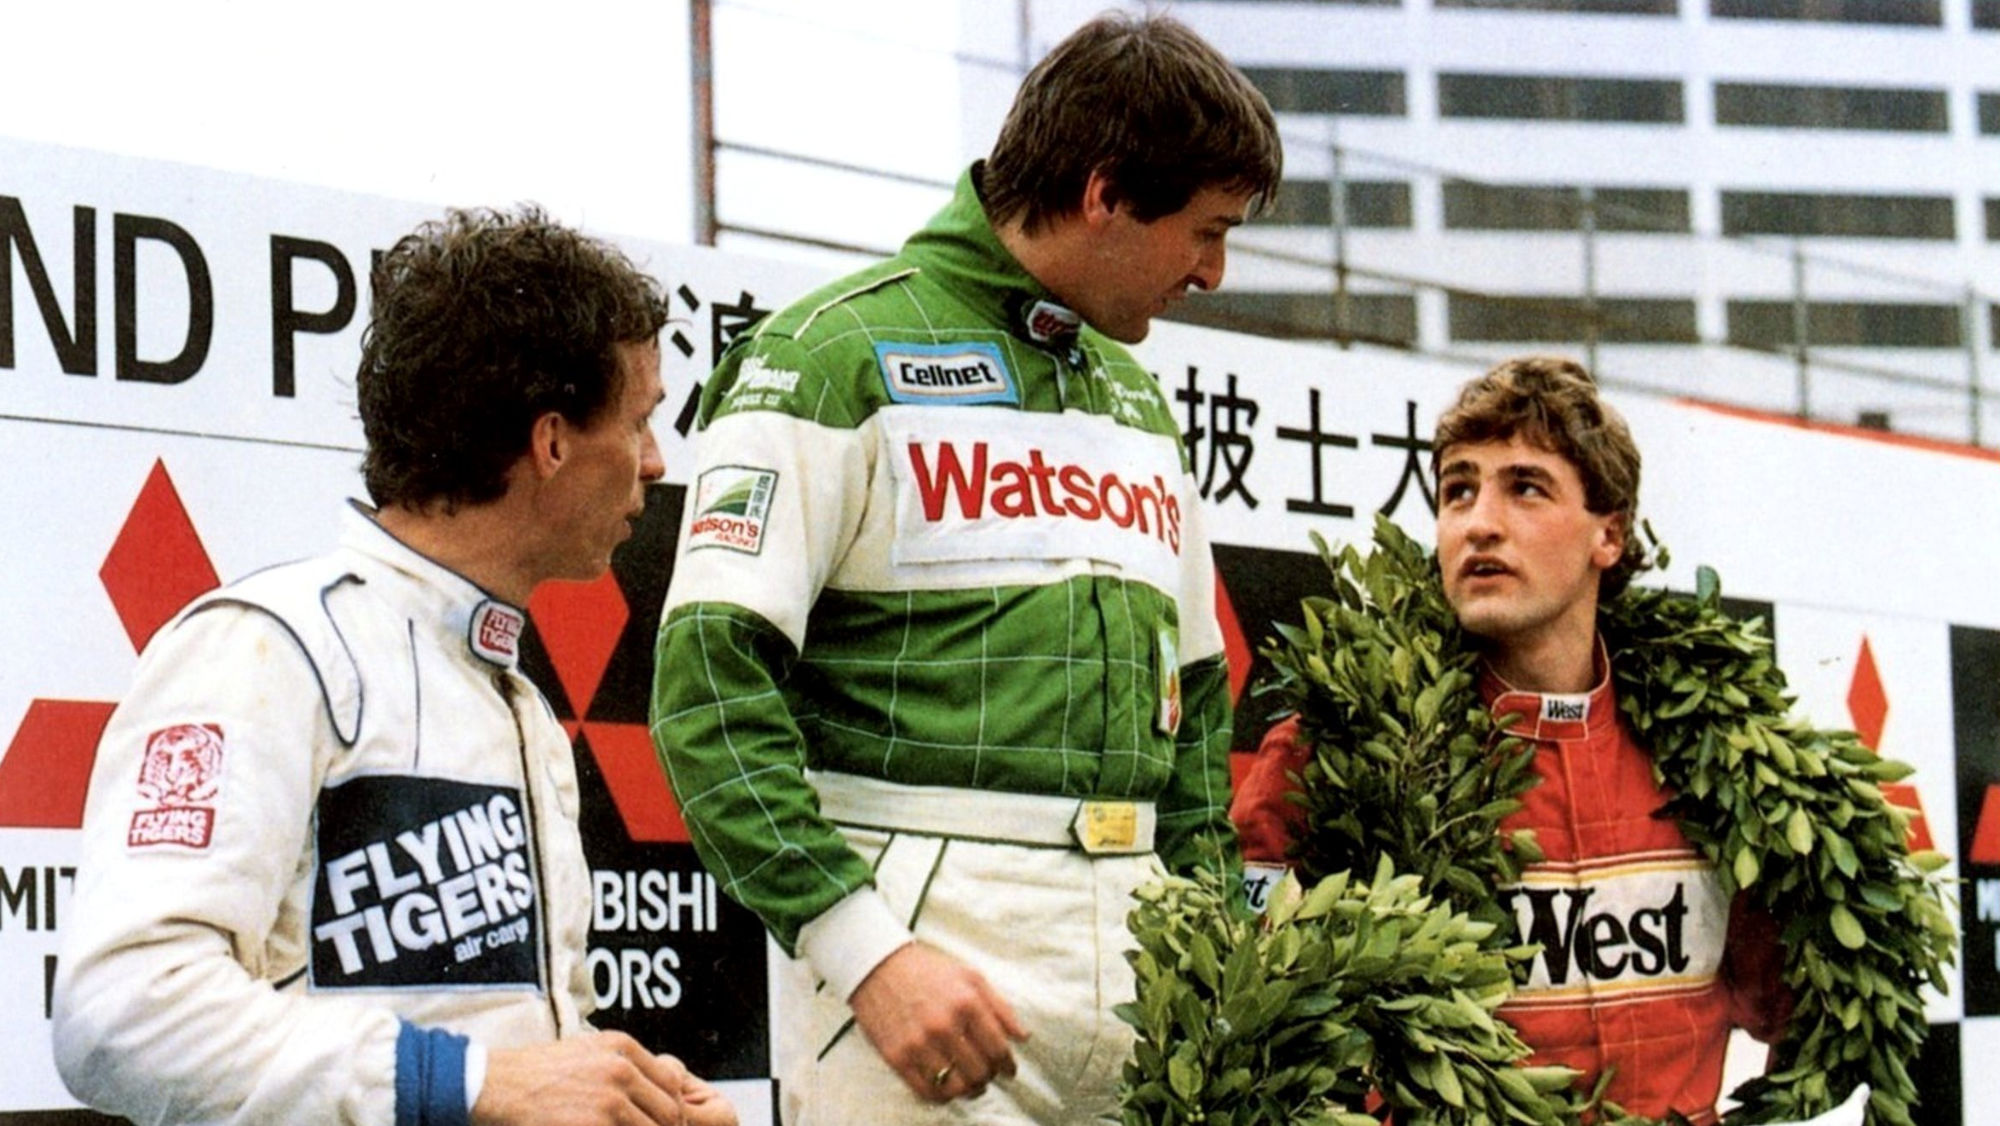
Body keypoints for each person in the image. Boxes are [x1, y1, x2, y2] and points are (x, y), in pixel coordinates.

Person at [649, 13, 1281, 1125]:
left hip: (1142, 973)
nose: (1213, 273)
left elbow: (1192, 722)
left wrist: (1213, 954)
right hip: (920, 971)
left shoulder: (1135, 400)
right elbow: (706, 689)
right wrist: (865, 951)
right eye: (1205, 230)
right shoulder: (826, 356)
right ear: (1103, 192)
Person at [53, 207, 736, 1126]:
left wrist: (629, 1102)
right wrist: (472, 1082)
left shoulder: (516, 699)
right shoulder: (267, 647)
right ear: (552, 441)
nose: (655, 463)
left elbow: (501, 1066)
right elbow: (120, 1014)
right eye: (641, 422)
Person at [1231, 356, 1792, 1124]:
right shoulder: (1331, 757)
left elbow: (1799, 1005)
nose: (1479, 522)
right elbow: (1245, 1033)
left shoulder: (1712, 760)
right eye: (1458, 490)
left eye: (1525, 487)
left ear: (1609, 535)